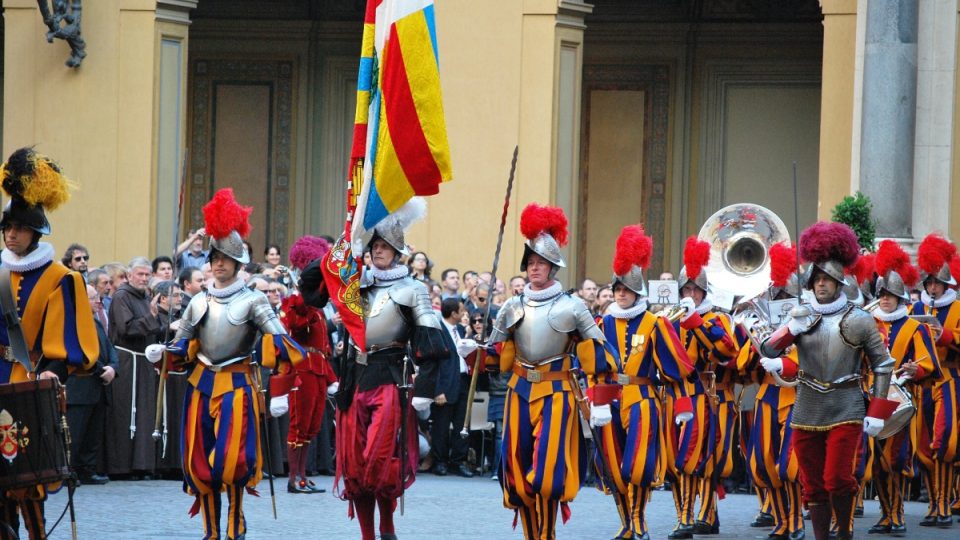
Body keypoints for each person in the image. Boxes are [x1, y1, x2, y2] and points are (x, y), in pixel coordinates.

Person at [148, 189, 305, 540]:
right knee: (199, 461)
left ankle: (235, 526)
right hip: (200, 384)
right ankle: (211, 531)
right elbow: (184, 345)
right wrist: (165, 354)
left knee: (233, 462)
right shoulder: (196, 302)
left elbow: (280, 343)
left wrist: (279, 390)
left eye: (226, 258)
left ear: (238, 263)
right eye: (215, 257)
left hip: (237, 384)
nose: (219, 263)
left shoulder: (254, 300)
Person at [761, 221, 900, 540]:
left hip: (846, 405)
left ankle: (845, 531)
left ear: (839, 283)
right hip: (807, 405)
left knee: (838, 477)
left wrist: (877, 411)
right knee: (812, 482)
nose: (821, 284)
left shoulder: (859, 319)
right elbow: (768, 348)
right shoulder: (800, 315)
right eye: (817, 279)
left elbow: (883, 363)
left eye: (827, 279)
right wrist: (791, 330)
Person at [327, 198, 449, 540]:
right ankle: (369, 534)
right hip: (355, 381)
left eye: (385, 247)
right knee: (354, 466)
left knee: (378, 461)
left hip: (390, 381)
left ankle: (387, 526)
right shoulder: (355, 285)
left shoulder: (413, 290)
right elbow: (312, 285)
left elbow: (434, 346)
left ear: (397, 253)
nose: (378, 251)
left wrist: (423, 392)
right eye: (375, 246)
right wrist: (348, 235)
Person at [487, 203, 604, 540]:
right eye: (531, 263)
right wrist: (480, 355)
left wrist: (596, 386)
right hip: (519, 391)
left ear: (553, 268)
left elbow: (599, 352)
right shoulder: (511, 305)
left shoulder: (573, 306)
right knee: (516, 468)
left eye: (541, 263)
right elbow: (497, 355)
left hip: (557, 392)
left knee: (548, 473)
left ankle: (547, 534)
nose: (534, 268)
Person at [0, 147, 99, 540]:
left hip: (28, 383)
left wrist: (44, 385)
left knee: (28, 479)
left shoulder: (61, 278)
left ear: (36, 231)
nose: (10, 234)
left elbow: (68, 348)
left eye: (19, 228)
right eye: (6, 227)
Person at [576, 224, 695, 540]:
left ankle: (640, 520)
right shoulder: (602, 323)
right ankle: (626, 523)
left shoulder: (656, 324)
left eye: (626, 289)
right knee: (613, 468)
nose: (620, 293)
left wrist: (683, 405)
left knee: (637, 465)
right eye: (617, 289)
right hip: (609, 398)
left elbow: (676, 368)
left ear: (638, 292)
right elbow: (593, 368)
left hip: (643, 397)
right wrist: (595, 399)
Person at [668, 236, 740, 539]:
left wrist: (695, 321)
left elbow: (727, 351)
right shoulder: (669, 319)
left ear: (704, 291)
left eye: (695, 289)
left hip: (709, 395)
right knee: (677, 459)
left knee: (703, 459)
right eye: (686, 289)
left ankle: (691, 517)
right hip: (677, 395)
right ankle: (704, 515)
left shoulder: (716, 318)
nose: (690, 293)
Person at [867, 240, 940, 535]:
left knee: (894, 461)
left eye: (890, 296)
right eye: (882, 295)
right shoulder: (869, 324)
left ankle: (896, 515)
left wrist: (915, 368)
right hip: (872, 397)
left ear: (899, 298)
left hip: (902, 399)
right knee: (875, 461)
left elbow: (931, 364)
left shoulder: (915, 327)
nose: (885, 300)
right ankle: (886, 514)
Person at [736, 242, 804, 540]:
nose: (779, 301)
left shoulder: (807, 322)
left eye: (785, 297)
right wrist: (755, 343)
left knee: (789, 464)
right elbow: (742, 367)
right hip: (767, 396)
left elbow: (807, 363)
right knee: (762, 463)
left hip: (794, 396)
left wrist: (783, 357)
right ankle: (780, 519)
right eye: (775, 296)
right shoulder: (762, 319)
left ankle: (796, 522)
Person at [272, 235, 337, 494]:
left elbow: (323, 346)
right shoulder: (295, 302)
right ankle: (293, 478)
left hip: (318, 369)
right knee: (299, 424)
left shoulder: (317, 305)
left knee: (312, 424)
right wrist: (304, 298)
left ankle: (302, 475)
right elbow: (294, 328)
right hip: (303, 370)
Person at [910, 233, 960, 528]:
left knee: (945, 442)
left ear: (946, 284)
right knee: (924, 447)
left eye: (936, 283)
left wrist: (946, 335)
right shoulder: (918, 309)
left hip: (949, 378)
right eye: (928, 283)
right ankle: (933, 503)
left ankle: (943, 503)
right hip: (922, 382)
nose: (931, 286)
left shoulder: (957, 307)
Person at [106, 256, 163, 479]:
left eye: (147, 275)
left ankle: (141, 465)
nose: (144, 278)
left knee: (144, 413)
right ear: (129, 276)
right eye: (139, 274)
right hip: (127, 362)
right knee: (125, 413)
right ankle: (122, 467)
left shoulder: (146, 296)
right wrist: (152, 317)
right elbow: (126, 328)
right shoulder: (122, 297)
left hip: (143, 361)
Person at [66, 285, 119, 485]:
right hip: (81, 386)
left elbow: (109, 348)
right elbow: (79, 352)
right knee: (75, 432)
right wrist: (101, 370)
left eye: (98, 297)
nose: (98, 301)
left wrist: (113, 367)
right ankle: (69, 471)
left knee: (92, 433)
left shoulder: (95, 321)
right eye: (93, 297)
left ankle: (86, 470)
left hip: (98, 386)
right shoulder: (74, 323)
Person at [429, 298, 474, 478]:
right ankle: (440, 462)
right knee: (441, 425)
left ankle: (458, 461)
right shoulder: (437, 332)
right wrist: (437, 390)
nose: (464, 313)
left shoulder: (463, 331)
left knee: (462, 424)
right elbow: (433, 363)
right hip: (445, 385)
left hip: (463, 381)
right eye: (461, 310)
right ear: (453, 313)